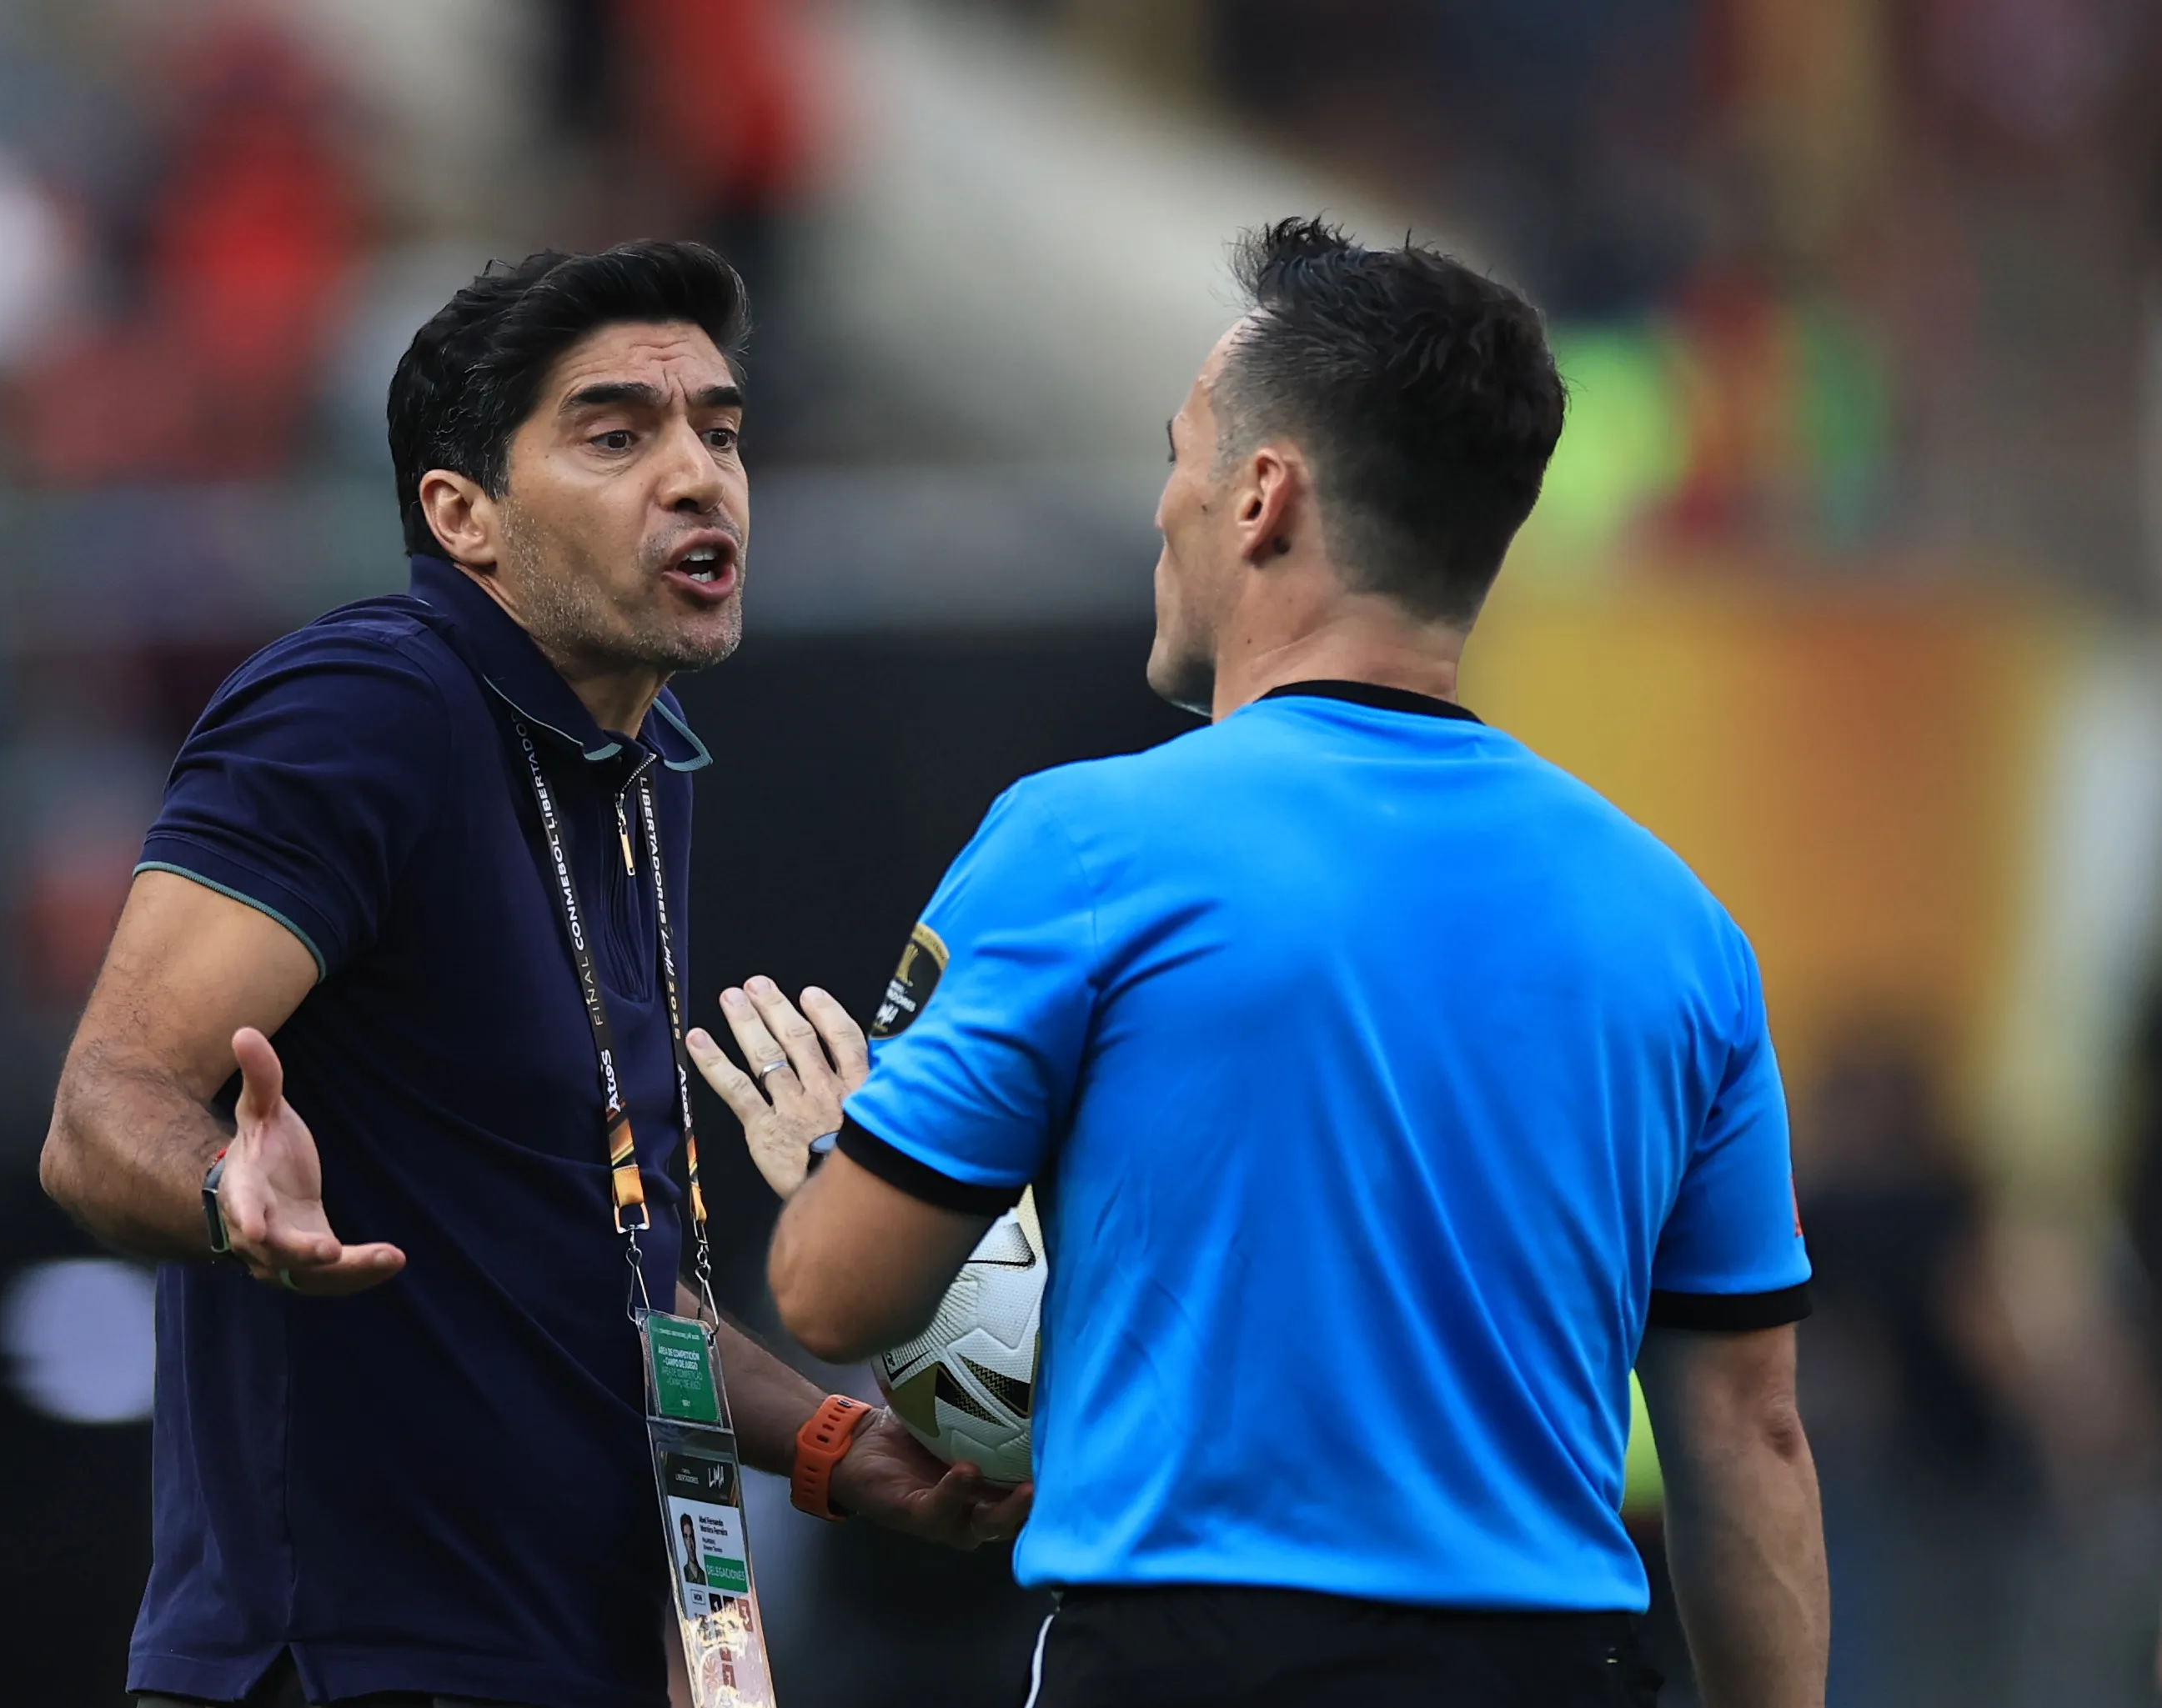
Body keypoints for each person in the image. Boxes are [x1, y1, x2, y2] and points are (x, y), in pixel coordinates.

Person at [687, 219, 1827, 1708]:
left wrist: (841, 1156)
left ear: (1260, 497)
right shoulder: (1679, 929)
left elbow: (840, 1300)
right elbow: (1749, 1438)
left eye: (1181, 452)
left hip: (1192, 1665)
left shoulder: (1083, 848)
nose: (1162, 502)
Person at [38, 240, 1025, 1708]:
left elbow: (627, 1288)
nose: (699, 476)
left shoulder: (637, 776)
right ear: (463, 515)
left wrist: (832, 1449)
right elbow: (97, 1109)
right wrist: (223, 1198)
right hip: (348, 1666)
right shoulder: (364, 703)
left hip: (579, 1665)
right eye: (617, 435)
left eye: (720, 432)